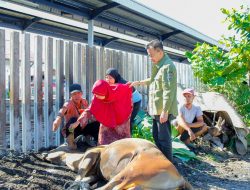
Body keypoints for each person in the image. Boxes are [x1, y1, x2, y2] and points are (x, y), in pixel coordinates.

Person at [130, 39, 177, 162]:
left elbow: (169, 91)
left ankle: (168, 167)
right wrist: (138, 82)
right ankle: (161, 163)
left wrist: (165, 111)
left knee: (164, 139)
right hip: (156, 109)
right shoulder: (159, 66)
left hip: (162, 110)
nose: (150, 57)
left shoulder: (168, 67)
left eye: (151, 55)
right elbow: (152, 80)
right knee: (156, 136)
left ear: (159, 52)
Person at [71, 80, 133, 145]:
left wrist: (133, 84)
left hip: (121, 124)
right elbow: (89, 110)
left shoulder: (118, 91)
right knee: (104, 144)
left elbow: (126, 89)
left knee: (123, 146)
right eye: (95, 94)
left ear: (105, 92)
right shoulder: (96, 97)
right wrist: (78, 122)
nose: (96, 96)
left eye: (99, 95)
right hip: (106, 124)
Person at [52, 83, 99, 149]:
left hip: (82, 128)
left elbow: (88, 113)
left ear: (81, 93)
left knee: (97, 123)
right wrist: (57, 120)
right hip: (72, 130)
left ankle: (96, 142)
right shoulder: (68, 104)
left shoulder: (84, 102)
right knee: (73, 120)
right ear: (71, 95)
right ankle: (71, 143)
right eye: (74, 94)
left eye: (78, 93)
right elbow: (61, 112)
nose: (77, 96)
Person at [105, 68, 142, 133]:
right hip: (127, 101)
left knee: (128, 121)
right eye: (106, 77)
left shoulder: (121, 85)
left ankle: (128, 139)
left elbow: (121, 102)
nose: (108, 80)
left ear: (115, 78)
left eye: (110, 78)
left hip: (135, 102)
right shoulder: (113, 83)